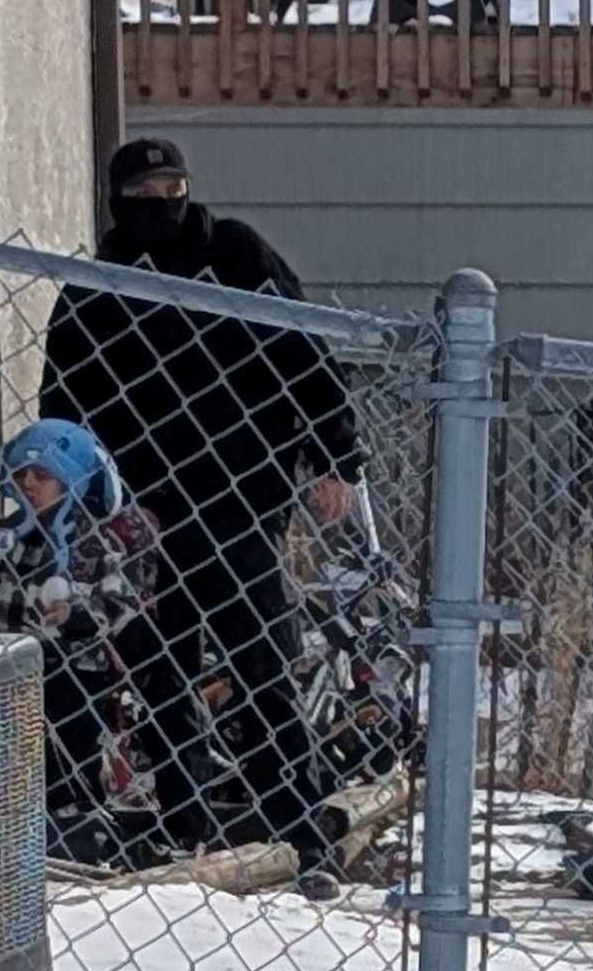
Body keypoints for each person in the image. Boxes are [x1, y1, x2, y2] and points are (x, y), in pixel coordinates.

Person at [39, 137, 364, 899]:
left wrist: (335, 456)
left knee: (262, 669)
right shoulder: (99, 285)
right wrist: (73, 495)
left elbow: (304, 353)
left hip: (241, 500)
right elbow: (64, 398)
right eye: (144, 194)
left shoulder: (236, 257)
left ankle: (297, 827)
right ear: (118, 201)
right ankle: (183, 826)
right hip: (142, 513)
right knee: (162, 672)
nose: (162, 205)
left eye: (172, 189)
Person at [0, 419, 163, 865]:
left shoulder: (95, 538)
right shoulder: (15, 533)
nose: (29, 485)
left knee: (71, 753)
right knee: (14, 753)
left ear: (72, 479)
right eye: (22, 476)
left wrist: (77, 615)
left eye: (43, 476)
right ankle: (23, 835)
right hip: (13, 665)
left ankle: (81, 834)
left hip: (75, 669)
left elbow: (120, 600)